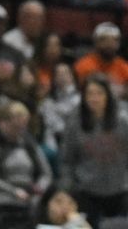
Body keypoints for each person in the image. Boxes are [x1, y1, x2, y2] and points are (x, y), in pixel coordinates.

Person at [59, 74, 128, 228]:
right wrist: (66, 190)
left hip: (120, 190)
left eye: (99, 93)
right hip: (87, 191)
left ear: (108, 96)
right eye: (89, 93)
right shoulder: (75, 123)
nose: (94, 98)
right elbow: (67, 160)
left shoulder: (123, 121)